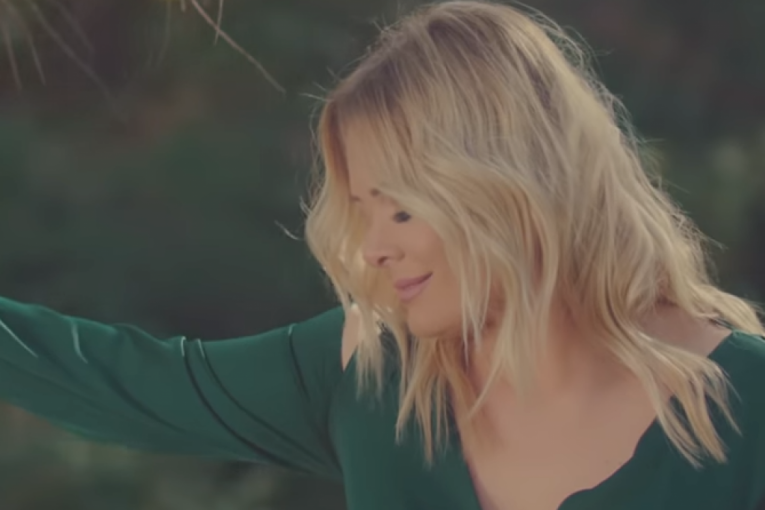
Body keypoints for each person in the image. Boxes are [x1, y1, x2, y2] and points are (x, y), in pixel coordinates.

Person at [0, 1, 763, 509]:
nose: (371, 249)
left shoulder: (746, 404)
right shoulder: (371, 376)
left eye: (400, 208)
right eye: (361, 211)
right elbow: (115, 381)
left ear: (513, 190)